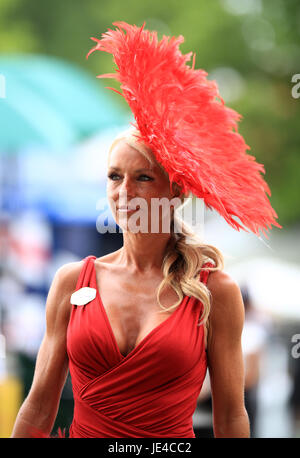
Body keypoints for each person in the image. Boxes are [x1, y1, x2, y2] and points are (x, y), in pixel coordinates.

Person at [11, 22, 280, 438]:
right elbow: (38, 407)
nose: (124, 192)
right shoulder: (71, 282)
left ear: (174, 193)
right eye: (114, 176)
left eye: (143, 178)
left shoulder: (215, 291)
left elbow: (230, 417)